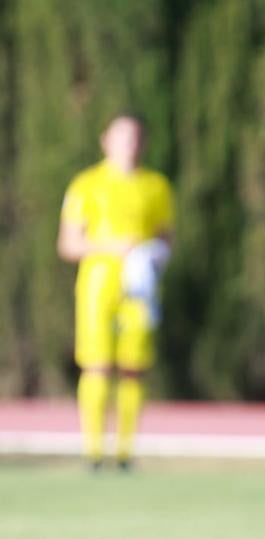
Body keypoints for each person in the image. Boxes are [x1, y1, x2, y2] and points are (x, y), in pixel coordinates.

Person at [57, 113, 175, 470]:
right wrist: (111, 247)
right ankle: (93, 452)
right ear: (105, 140)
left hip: (138, 289)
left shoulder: (155, 186)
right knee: (96, 366)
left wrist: (151, 256)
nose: (130, 145)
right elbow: (68, 244)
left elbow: (166, 239)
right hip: (97, 287)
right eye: (123, 137)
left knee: (133, 367)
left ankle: (125, 453)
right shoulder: (87, 184)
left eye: (136, 137)